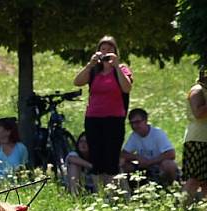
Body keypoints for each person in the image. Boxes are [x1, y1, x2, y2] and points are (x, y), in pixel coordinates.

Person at [73, 35, 133, 186]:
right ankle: (100, 193)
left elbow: (127, 88)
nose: (106, 53)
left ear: (115, 52)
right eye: (103, 49)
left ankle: (113, 193)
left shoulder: (122, 68)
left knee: (111, 158)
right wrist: (89, 65)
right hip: (93, 118)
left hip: (114, 119)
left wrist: (116, 66)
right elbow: (77, 82)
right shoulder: (94, 70)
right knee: (96, 158)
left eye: (109, 49)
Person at [120, 108, 179, 186]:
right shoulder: (134, 136)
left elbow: (171, 154)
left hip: (158, 166)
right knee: (122, 163)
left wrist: (149, 162)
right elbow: (123, 154)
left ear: (145, 120)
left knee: (168, 164)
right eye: (131, 123)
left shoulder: (157, 133)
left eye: (137, 122)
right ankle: (132, 186)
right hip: (144, 168)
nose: (134, 126)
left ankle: (169, 185)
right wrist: (136, 157)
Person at [182, 68, 207, 206]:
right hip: (197, 140)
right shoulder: (197, 90)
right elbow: (199, 113)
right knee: (194, 179)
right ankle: (181, 209)